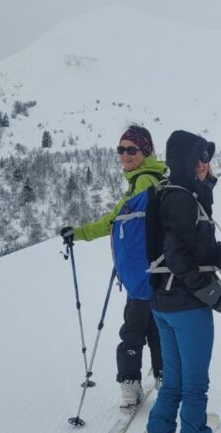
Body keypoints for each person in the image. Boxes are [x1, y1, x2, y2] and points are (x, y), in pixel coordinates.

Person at [142, 130, 221, 433]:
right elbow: (178, 256)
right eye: (196, 159)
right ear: (181, 162)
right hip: (187, 308)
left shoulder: (179, 195)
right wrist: (216, 297)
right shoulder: (183, 198)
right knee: (194, 386)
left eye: (205, 158)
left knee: (173, 383)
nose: (202, 165)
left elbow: (193, 253)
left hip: (163, 304)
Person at [60, 125, 167, 409]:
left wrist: (80, 234)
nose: (124, 155)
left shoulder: (144, 182)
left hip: (142, 274)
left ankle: (131, 385)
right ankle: (164, 377)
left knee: (133, 330)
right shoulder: (150, 180)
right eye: (121, 149)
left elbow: (113, 221)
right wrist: (81, 233)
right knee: (156, 326)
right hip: (154, 272)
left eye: (131, 149)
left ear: (145, 151)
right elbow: (117, 220)